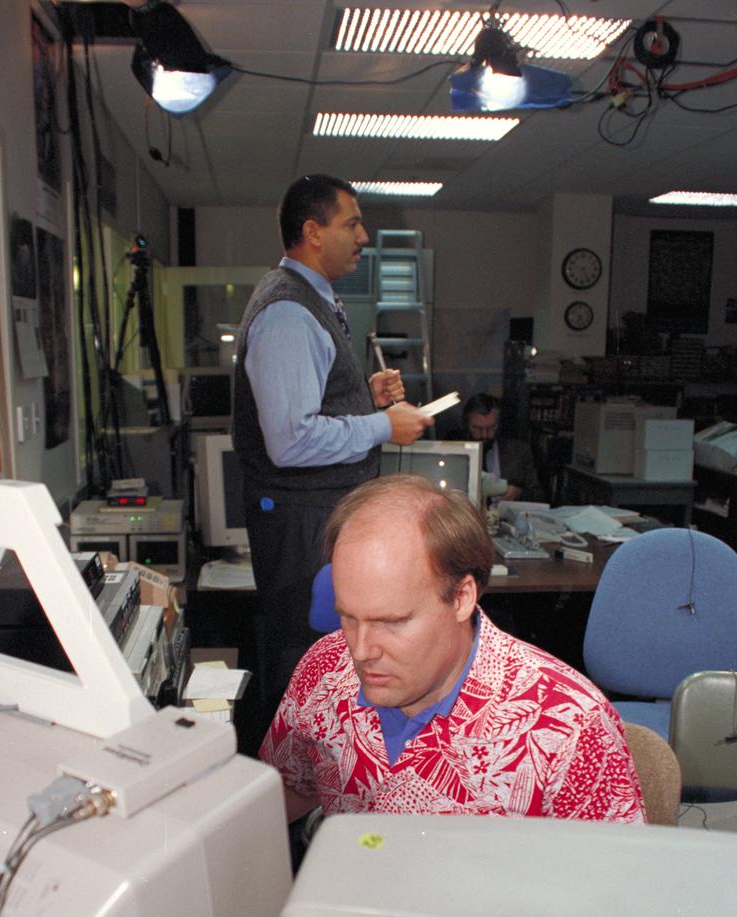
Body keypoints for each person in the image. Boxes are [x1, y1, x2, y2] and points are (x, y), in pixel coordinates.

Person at [261, 474, 646, 826]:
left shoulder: (569, 727)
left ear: (461, 597)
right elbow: (289, 788)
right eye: (348, 618)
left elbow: (615, 888)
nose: (360, 651)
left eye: (392, 622)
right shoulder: (324, 669)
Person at [233, 173, 431, 721]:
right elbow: (291, 442)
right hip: (301, 521)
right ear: (313, 232)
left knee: (327, 661)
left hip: (315, 516)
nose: (364, 237)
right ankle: (299, 789)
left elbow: (303, 407)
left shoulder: (312, 301)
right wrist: (382, 428)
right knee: (306, 663)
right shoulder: (288, 312)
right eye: (352, 224)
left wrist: (362, 400)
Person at [461, 392, 544, 502]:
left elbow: (538, 495)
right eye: (477, 428)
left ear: (499, 424)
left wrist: (518, 493)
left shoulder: (519, 452)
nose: (485, 434)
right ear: (467, 425)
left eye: (491, 427)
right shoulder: (455, 453)